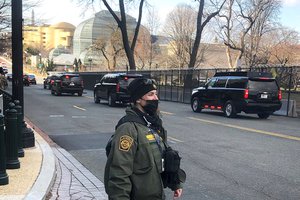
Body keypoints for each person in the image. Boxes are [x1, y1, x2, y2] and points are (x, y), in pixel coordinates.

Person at [104, 78, 184, 200]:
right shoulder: (128, 129)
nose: (155, 98)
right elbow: (119, 173)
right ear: (138, 99)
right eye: (150, 95)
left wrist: (175, 182)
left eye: (156, 94)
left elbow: (164, 155)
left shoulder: (152, 123)